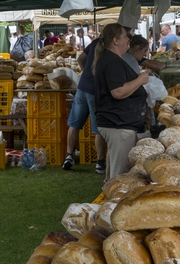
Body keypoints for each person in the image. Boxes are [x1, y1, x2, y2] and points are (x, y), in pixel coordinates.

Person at [93, 24, 149, 180]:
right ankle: (113, 194)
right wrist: (140, 80)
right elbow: (118, 92)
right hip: (117, 124)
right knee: (121, 176)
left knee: (115, 172)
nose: (128, 40)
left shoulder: (112, 59)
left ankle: (108, 186)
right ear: (115, 40)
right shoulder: (112, 62)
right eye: (125, 37)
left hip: (118, 123)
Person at [62, 34, 108, 174]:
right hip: (96, 91)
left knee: (74, 124)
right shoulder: (112, 47)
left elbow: (80, 59)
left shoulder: (95, 43)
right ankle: (100, 163)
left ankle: (69, 156)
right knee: (98, 128)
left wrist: (86, 72)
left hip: (82, 87)